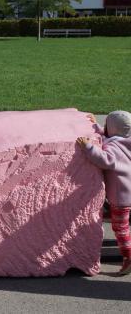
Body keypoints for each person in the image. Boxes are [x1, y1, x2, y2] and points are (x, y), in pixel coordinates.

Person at [77, 110, 131, 276]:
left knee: (120, 227)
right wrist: (97, 126)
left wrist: (88, 147)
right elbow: (110, 135)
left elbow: (105, 160)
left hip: (122, 197)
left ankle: (128, 257)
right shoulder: (125, 141)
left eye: (106, 125)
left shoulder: (114, 149)